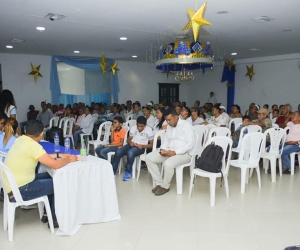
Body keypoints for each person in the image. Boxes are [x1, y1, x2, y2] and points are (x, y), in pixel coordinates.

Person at [3, 120, 77, 228]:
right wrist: (69, 160)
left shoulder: (20, 140)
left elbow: (42, 156)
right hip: (20, 190)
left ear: (25, 131)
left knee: (50, 176)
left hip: (13, 185)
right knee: (59, 182)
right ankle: (55, 219)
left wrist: (60, 154)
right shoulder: (33, 146)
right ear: (42, 134)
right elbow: (55, 165)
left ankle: (47, 214)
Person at [145, 108, 195, 196]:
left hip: (184, 154)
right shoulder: (170, 126)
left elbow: (190, 144)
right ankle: (159, 183)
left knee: (167, 163)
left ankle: (165, 186)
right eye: (166, 120)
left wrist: (175, 152)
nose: (167, 122)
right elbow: (166, 140)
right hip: (169, 152)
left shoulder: (186, 125)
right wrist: (163, 149)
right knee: (148, 158)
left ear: (176, 117)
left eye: (169, 120)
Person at [112, 116, 153, 180]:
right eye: (138, 126)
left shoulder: (149, 130)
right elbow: (128, 139)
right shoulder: (133, 128)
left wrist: (142, 146)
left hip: (141, 147)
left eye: (141, 126)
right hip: (131, 144)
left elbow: (151, 145)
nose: (139, 128)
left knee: (130, 152)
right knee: (118, 151)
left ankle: (128, 171)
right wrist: (130, 142)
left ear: (145, 125)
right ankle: (113, 171)